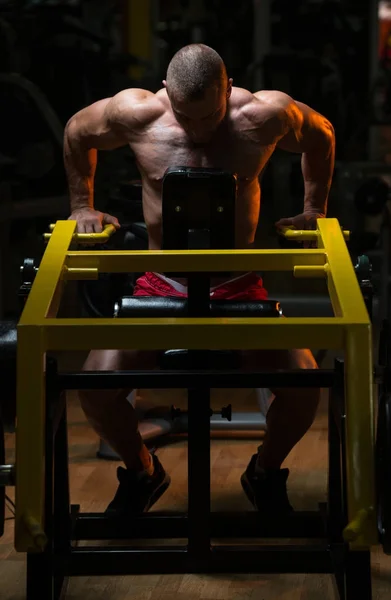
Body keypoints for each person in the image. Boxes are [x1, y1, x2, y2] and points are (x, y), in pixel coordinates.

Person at [65, 44, 335, 517]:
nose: (200, 129)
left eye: (210, 115)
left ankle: (265, 473)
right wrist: (81, 207)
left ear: (228, 88)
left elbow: (321, 134)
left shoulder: (264, 114)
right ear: (167, 92)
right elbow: (76, 132)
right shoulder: (138, 112)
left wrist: (314, 211)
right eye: (188, 118)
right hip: (161, 285)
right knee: (93, 385)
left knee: (306, 383)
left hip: (238, 286)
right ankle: (143, 472)